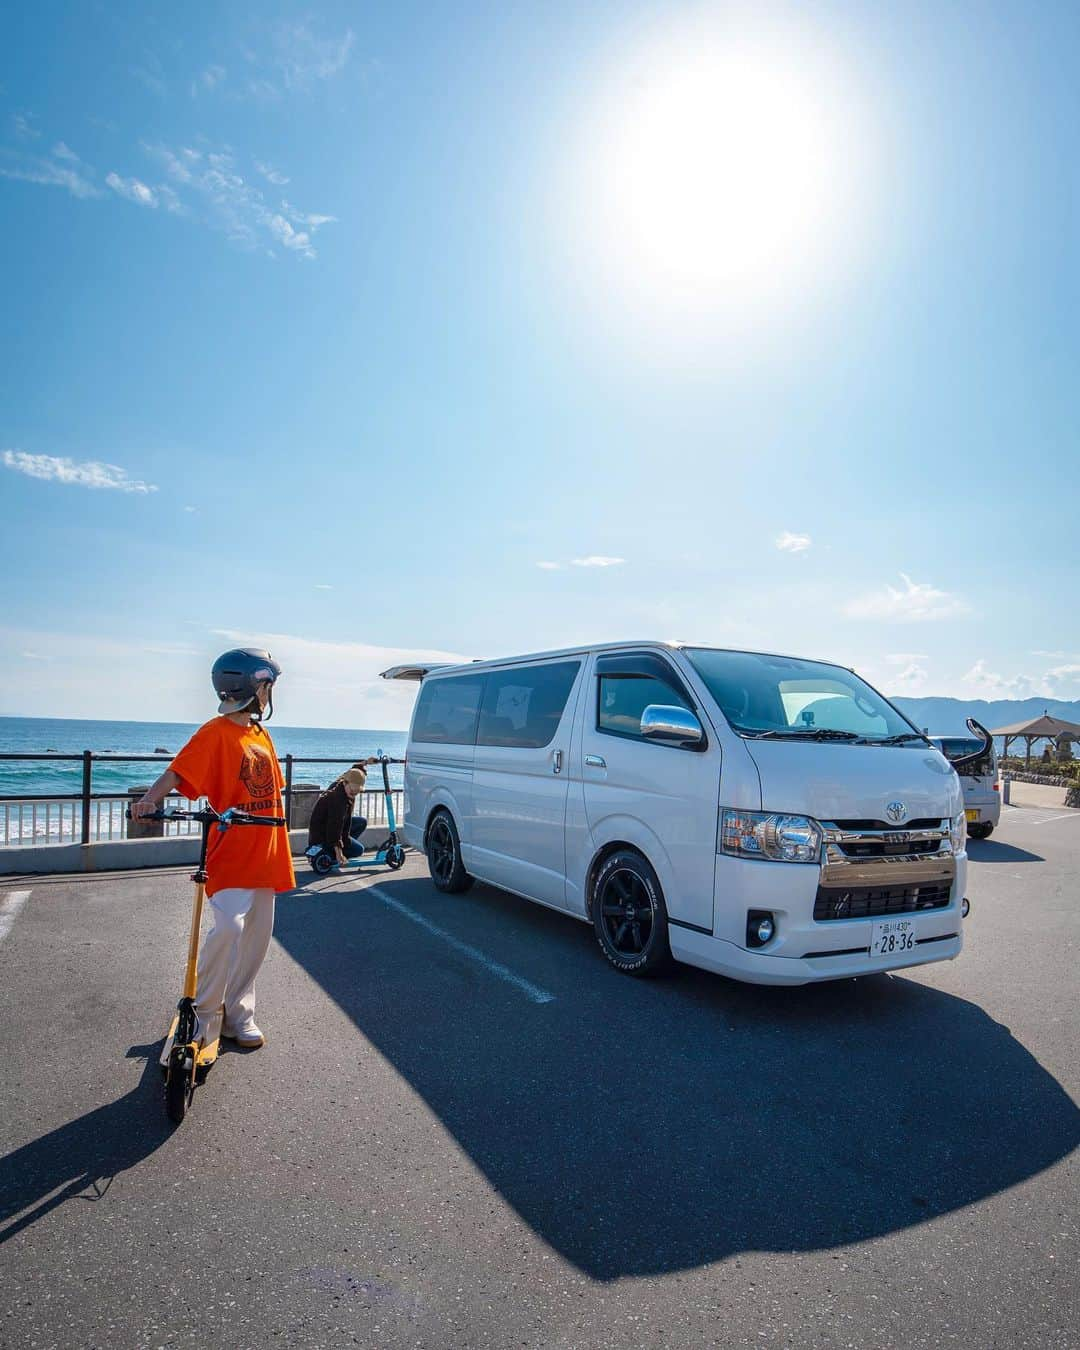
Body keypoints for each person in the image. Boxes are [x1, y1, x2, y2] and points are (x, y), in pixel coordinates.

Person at [131, 648, 295, 1052]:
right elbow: (179, 770)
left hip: (267, 848)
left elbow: (272, 789)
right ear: (250, 687)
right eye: (266, 686)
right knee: (227, 929)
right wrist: (150, 800)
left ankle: (239, 1015)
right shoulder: (214, 732)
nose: (269, 694)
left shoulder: (260, 734)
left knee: (257, 938)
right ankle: (205, 1015)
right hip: (232, 851)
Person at [308, 761, 378, 866]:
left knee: (361, 822)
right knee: (359, 850)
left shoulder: (342, 782)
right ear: (345, 783)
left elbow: (355, 771)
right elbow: (334, 827)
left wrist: (366, 762)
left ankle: (335, 847)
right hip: (322, 835)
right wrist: (339, 853)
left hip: (325, 826)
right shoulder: (338, 800)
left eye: (357, 791)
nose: (353, 793)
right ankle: (329, 853)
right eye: (352, 790)